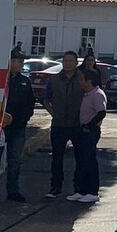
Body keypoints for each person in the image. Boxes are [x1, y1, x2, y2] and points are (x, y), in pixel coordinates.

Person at [43, 51, 84, 199]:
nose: (67, 63)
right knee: (57, 158)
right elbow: (46, 100)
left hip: (77, 124)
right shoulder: (54, 80)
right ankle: (55, 187)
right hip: (59, 124)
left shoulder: (82, 79)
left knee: (79, 158)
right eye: (65, 61)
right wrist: (54, 113)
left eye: (70, 61)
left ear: (76, 63)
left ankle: (78, 187)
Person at [68, 69, 106, 203]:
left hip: (90, 132)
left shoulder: (97, 94)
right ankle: (81, 190)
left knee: (89, 160)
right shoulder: (87, 94)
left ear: (89, 81)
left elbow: (101, 112)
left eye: (82, 79)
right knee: (81, 160)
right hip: (81, 131)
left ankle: (92, 191)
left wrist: (89, 125)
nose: (80, 82)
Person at [3, 46, 34, 202]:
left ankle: (13, 191)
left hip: (17, 128)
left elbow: (29, 105)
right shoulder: (1, 79)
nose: (20, 63)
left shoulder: (25, 82)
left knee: (15, 161)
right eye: (17, 60)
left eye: (22, 61)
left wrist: (19, 120)